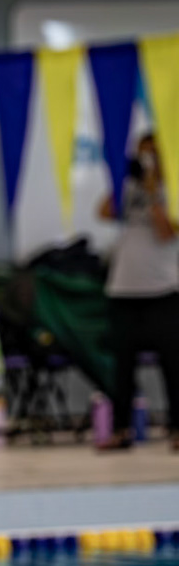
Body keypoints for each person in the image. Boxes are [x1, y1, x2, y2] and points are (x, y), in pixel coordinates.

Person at [97, 132, 179, 452]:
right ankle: (121, 429)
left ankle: (176, 427)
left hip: (163, 290)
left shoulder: (171, 191)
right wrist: (121, 178)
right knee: (122, 368)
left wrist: (154, 189)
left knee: (173, 366)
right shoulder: (129, 188)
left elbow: (166, 232)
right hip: (123, 290)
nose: (147, 162)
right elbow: (104, 212)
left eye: (152, 155)